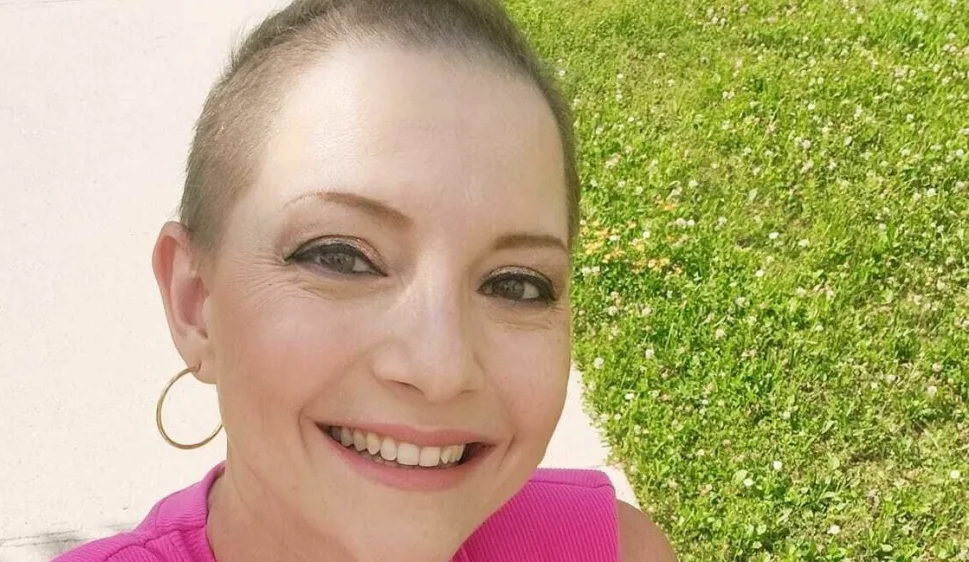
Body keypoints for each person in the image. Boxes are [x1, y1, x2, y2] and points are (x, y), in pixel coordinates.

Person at [53, 0, 676, 560]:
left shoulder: (612, 550)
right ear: (195, 302)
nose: (439, 369)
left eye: (515, 284)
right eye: (341, 257)